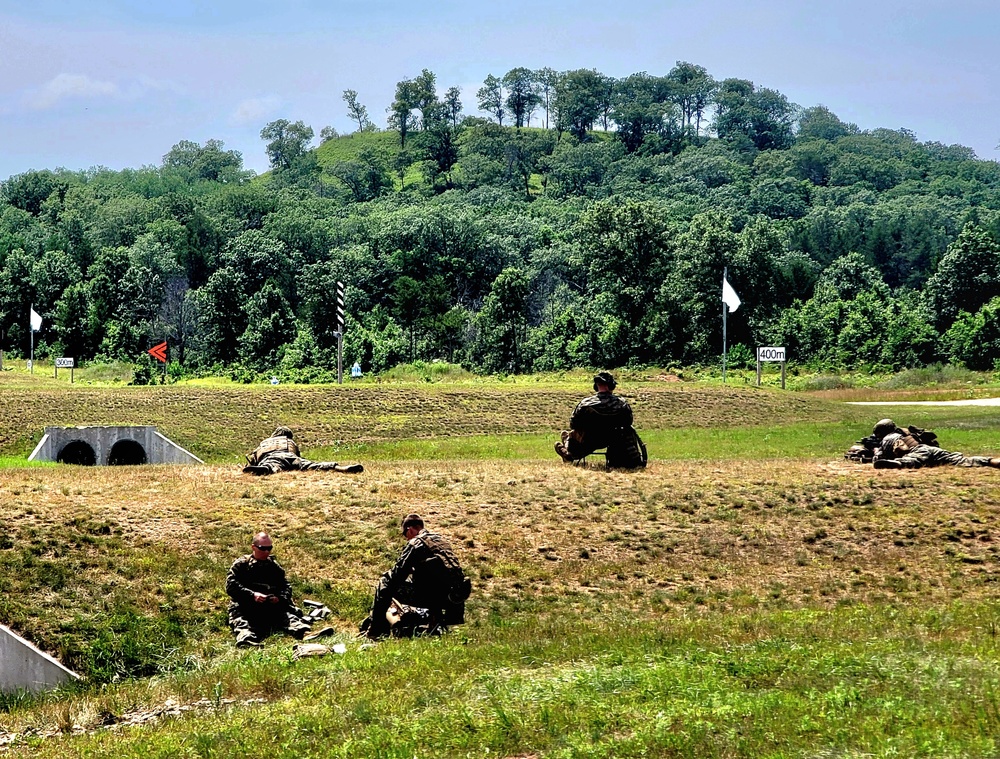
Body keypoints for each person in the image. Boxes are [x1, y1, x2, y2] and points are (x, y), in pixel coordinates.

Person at [359, 514, 471, 640]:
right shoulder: (441, 540)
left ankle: (375, 631)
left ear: (410, 530)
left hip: (433, 596)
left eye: (405, 535)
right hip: (453, 599)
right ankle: (433, 624)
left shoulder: (416, 543)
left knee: (385, 581)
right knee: (431, 583)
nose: (406, 539)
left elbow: (397, 575)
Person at [226, 532, 313, 647]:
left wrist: (279, 598)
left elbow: (286, 586)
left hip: (269, 606)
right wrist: (252, 595)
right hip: (246, 606)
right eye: (263, 548)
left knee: (287, 616)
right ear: (253, 547)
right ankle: (247, 641)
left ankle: (304, 632)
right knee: (242, 622)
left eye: (269, 548)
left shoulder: (273, 567)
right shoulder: (242, 565)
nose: (267, 552)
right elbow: (231, 586)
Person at [554, 372, 647, 469]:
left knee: (572, 434)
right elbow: (628, 422)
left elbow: (573, 424)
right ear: (612, 386)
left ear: (596, 386)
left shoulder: (585, 404)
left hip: (588, 440)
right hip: (613, 439)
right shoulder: (621, 404)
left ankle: (569, 451)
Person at [871, 418, 1000, 470]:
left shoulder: (887, 439)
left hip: (916, 452)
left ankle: (899, 464)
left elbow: (878, 460)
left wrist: (875, 451)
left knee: (912, 460)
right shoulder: (906, 432)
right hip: (929, 449)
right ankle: (992, 461)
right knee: (960, 460)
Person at [243, 426, 363, 475]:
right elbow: (297, 454)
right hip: (291, 457)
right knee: (312, 465)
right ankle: (341, 468)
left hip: (272, 457)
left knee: (272, 465)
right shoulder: (290, 441)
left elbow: (251, 462)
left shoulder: (264, 443)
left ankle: (269, 469)